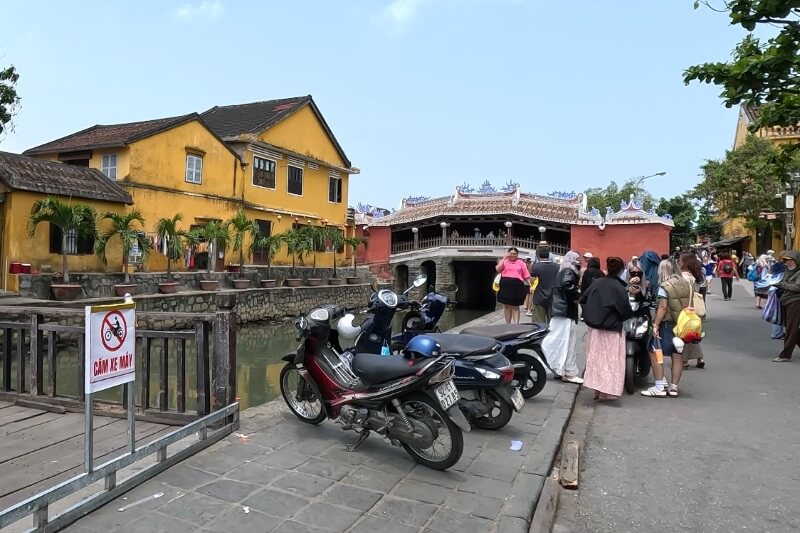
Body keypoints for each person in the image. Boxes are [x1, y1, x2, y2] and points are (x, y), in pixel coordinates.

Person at [580, 257, 634, 401]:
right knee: (610, 361)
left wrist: (591, 313)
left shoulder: (597, 283)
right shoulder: (619, 287)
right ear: (622, 270)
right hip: (612, 328)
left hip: (595, 328)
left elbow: (583, 299)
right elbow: (625, 309)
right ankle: (606, 391)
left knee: (596, 359)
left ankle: (597, 389)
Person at [641, 259, 692, 397]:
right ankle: (674, 387)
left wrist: (656, 324)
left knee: (654, 350)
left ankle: (659, 385)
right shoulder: (686, 284)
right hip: (682, 324)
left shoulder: (665, 286)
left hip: (667, 323)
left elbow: (663, 307)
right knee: (677, 355)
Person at [541, 251, 584, 384]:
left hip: (561, 310)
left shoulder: (563, 270)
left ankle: (559, 368)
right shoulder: (568, 271)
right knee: (565, 340)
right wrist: (578, 295)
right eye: (577, 259)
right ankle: (566, 370)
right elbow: (568, 286)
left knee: (560, 340)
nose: (579, 262)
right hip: (564, 310)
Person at [678, 252, 707, 370]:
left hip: (685, 307)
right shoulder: (696, 275)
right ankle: (700, 358)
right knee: (693, 334)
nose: (678, 262)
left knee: (684, 334)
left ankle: (684, 360)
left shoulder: (683, 277)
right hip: (695, 307)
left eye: (680, 260)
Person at [773, 251, 800, 362]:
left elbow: (797, 287)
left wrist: (782, 284)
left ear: (796, 261)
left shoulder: (798, 273)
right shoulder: (787, 271)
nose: (787, 262)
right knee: (792, 328)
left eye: (790, 260)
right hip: (786, 301)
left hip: (796, 301)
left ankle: (785, 354)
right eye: (786, 260)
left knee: (791, 329)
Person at [495, 247, 531, 324]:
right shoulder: (504, 261)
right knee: (507, 306)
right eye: (511, 253)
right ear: (508, 253)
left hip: (517, 286)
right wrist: (504, 258)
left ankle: (516, 324)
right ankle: (508, 324)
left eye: (514, 254)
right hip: (505, 286)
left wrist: (530, 284)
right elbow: (498, 269)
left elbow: (526, 275)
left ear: (517, 255)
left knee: (515, 306)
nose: (512, 255)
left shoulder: (521, 263)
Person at [529, 247, 559, 323]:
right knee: (552, 321)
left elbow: (532, 281)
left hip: (539, 295)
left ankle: (541, 334)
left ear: (538, 256)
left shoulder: (536, 267)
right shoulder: (557, 266)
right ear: (549, 255)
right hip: (553, 296)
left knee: (538, 321)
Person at [769, 260, 786, 340]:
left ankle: (777, 332)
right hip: (780, 293)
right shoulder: (783, 270)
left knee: (778, 313)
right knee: (780, 313)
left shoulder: (776, 265)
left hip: (774, 291)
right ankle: (777, 333)